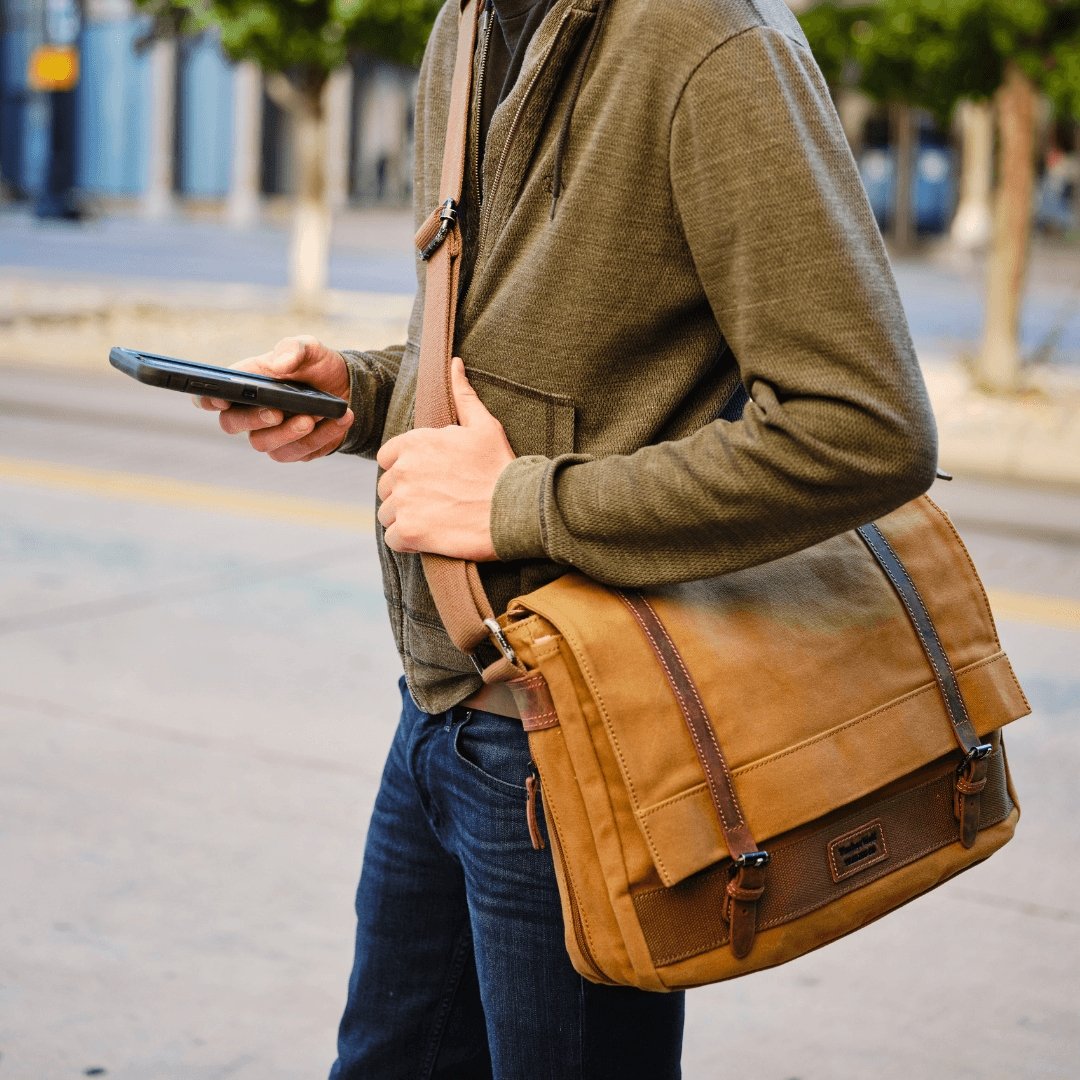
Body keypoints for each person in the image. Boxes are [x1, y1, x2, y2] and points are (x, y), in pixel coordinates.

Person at [195, 0, 938, 1075]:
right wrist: (361, 396)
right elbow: (521, 365)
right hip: (442, 712)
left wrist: (524, 506)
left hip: (582, 735)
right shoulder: (465, 27)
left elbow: (865, 430)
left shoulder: (715, 43)